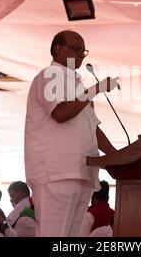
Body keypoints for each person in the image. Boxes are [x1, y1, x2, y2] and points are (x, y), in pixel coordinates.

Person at [24, 30, 119, 237]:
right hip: (56, 173)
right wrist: (95, 90)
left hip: (82, 173)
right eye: (76, 49)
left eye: (83, 52)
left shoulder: (78, 86)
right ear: (58, 49)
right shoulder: (49, 76)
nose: (81, 56)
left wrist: (117, 156)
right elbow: (60, 113)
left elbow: (93, 128)